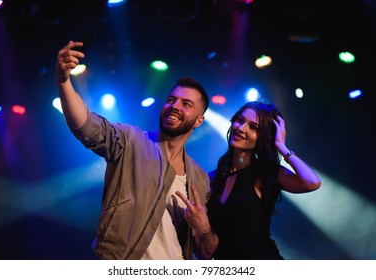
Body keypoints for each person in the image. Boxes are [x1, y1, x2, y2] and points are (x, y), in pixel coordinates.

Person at [56, 40, 217, 260]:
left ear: (199, 121)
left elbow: (205, 253)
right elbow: (86, 126)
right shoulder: (131, 140)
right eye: (171, 99)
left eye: (186, 104)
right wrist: (63, 81)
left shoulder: (199, 178)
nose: (175, 106)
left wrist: (204, 230)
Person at [207, 101, 321, 259]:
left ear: (264, 137)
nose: (241, 129)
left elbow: (312, 182)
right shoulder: (213, 177)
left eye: (253, 127)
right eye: (240, 121)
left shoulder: (265, 173)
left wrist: (282, 147)